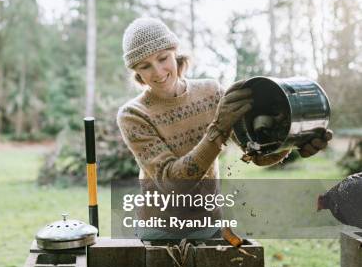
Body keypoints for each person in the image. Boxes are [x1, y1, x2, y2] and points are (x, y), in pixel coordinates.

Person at [116, 17, 331, 240]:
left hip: (211, 225)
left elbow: (255, 153)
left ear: (174, 52)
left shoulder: (212, 93)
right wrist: (218, 129)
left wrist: (288, 141)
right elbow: (174, 184)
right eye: (145, 66)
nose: (158, 71)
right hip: (159, 232)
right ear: (136, 71)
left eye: (163, 58)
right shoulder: (133, 114)